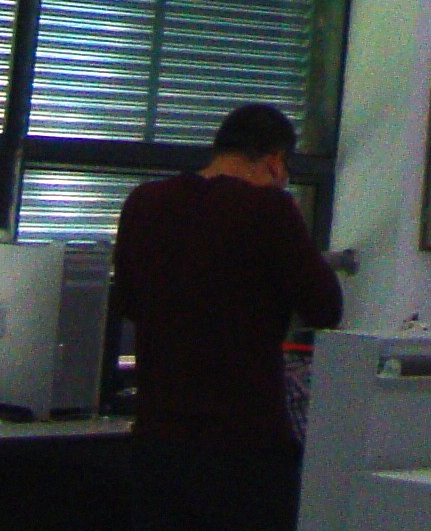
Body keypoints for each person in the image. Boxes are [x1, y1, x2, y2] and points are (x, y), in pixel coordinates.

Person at [109, 103, 345, 531]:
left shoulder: (144, 203)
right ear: (275, 161)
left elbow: (126, 302)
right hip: (243, 446)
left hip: (158, 441)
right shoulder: (269, 210)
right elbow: (326, 307)